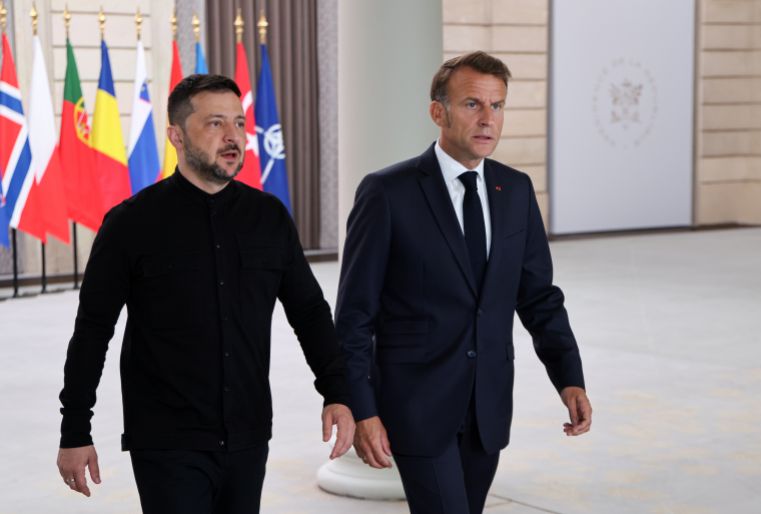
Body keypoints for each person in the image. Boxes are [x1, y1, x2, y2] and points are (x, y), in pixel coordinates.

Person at [56, 74, 354, 513]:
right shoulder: (130, 224)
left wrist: (338, 391)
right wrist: (75, 430)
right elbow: (92, 331)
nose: (233, 136)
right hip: (166, 440)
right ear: (176, 135)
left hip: (249, 435)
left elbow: (309, 312)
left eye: (238, 122)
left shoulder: (269, 217)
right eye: (215, 124)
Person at [335, 51, 592, 514]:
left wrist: (568, 377)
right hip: (415, 404)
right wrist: (363, 408)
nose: (487, 119)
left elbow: (539, 297)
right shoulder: (387, 193)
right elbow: (354, 315)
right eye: (473, 104)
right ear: (439, 111)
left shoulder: (515, 190)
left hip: (487, 404)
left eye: (497, 106)